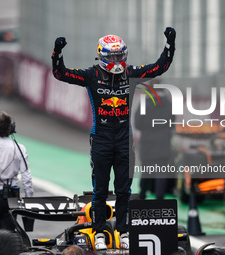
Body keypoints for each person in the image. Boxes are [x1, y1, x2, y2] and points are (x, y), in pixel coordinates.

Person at [52, 27, 176, 250]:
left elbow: (159, 67)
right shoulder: (91, 75)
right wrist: (57, 53)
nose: (118, 60)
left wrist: (169, 44)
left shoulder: (130, 74)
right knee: (100, 190)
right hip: (100, 139)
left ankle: (123, 231)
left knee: (124, 190)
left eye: (120, 55)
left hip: (124, 141)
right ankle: (100, 231)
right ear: (102, 56)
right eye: (113, 56)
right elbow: (61, 74)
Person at [135, 89, 175, 200]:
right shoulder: (168, 103)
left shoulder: (145, 103)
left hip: (147, 142)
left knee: (146, 171)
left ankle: (142, 195)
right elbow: (172, 122)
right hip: (163, 142)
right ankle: (160, 199)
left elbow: (137, 123)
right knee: (161, 172)